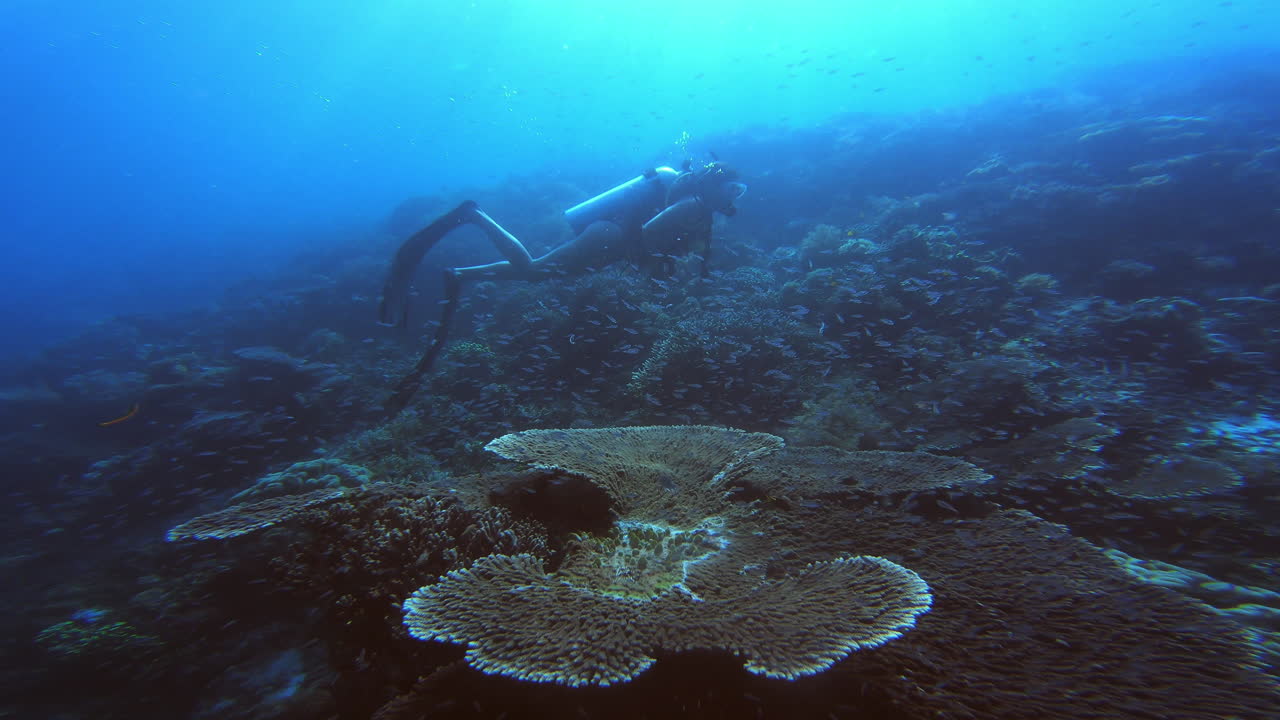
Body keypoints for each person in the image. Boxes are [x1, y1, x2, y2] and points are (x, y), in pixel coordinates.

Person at [377, 160, 747, 411]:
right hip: (610, 237)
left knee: (541, 272)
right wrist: (657, 261)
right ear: (716, 186)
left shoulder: (698, 210)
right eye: (733, 189)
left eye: (739, 190)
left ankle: (463, 275)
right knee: (537, 271)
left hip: (610, 240)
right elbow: (646, 236)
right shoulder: (692, 207)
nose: (735, 197)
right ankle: (472, 215)